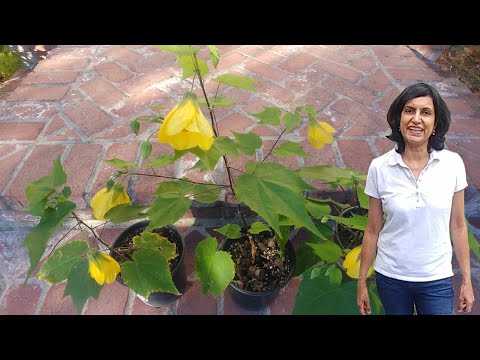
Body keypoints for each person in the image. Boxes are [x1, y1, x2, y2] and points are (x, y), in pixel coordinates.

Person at [357, 82, 475, 315]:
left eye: (426, 112)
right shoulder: (380, 167)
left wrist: (467, 281)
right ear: (398, 120)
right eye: (409, 110)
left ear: (436, 124)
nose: (416, 119)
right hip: (391, 276)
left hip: (436, 278)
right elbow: (372, 230)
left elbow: (459, 226)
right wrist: (361, 282)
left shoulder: (452, 164)